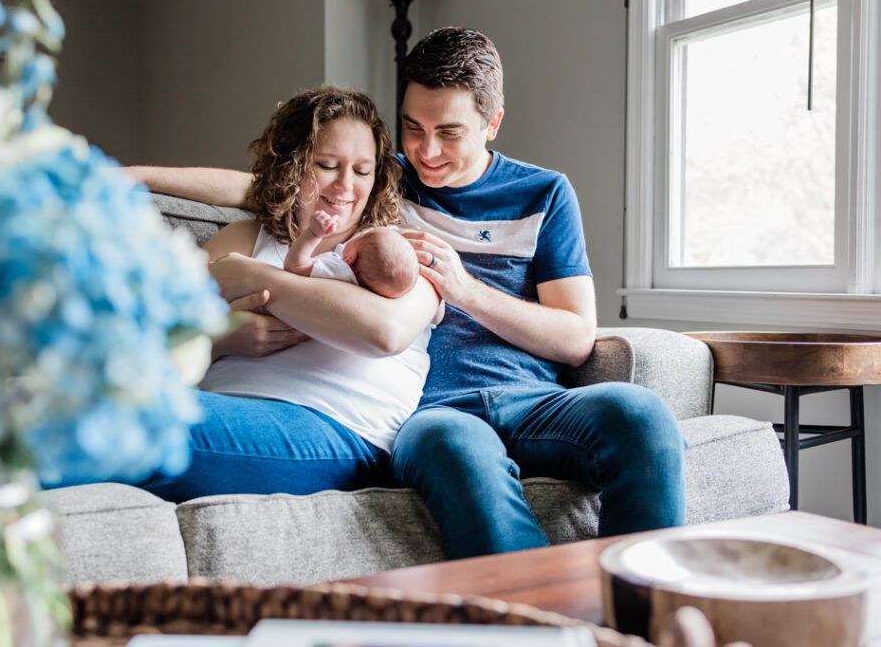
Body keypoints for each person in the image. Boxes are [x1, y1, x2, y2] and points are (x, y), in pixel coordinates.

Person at [126, 28, 685, 558]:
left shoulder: (544, 194)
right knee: (456, 450)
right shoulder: (387, 179)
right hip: (431, 412)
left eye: (449, 133)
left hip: (529, 398)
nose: (426, 152)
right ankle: (535, 618)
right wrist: (136, 176)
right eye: (413, 128)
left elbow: (575, 338)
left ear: (492, 123)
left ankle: (644, 608)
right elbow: (269, 185)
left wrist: (464, 288)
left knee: (640, 413)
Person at [63, 86, 442, 503]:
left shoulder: (399, 252)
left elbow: (383, 332)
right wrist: (218, 342)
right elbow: (147, 348)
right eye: (327, 165)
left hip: (334, 426)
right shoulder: (244, 237)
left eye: (363, 171)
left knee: (105, 419)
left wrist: (248, 277)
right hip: (225, 406)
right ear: (294, 166)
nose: (345, 186)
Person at [285, 210, 419, 299]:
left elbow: (295, 266)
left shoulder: (339, 270)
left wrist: (314, 234)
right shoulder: (370, 296)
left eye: (360, 238)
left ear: (350, 258)